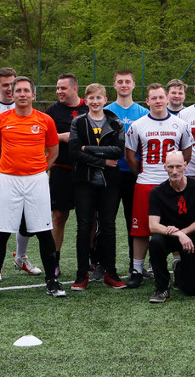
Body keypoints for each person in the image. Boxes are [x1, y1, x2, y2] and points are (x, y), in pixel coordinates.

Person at [0, 76, 65, 301]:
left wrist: (39, 171)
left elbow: (53, 152)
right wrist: (9, 169)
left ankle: (51, 281)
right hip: (8, 180)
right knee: (1, 232)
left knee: (44, 232)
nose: (22, 94)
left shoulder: (45, 120)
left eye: (26, 90)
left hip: (36, 180)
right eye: (18, 90)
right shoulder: (0, 120)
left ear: (33, 95)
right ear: (12, 94)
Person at [124, 83, 192, 288]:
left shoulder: (180, 124)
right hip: (146, 182)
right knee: (140, 228)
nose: (158, 101)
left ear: (167, 98)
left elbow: (186, 153)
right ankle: (136, 269)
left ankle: (179, 266)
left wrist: (176, 173)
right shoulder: (138, 125)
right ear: (147, 101)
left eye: (161, 97)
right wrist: (143, 173)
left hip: (172, 183)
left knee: (175, 224)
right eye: (153, 98)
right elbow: (130, 156)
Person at [0, 67, 40, 276]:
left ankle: (21, 257)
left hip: (25, 172)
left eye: (13, 84)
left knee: (27, 219)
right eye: (5, 85)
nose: (11, 90)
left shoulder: (26, 105)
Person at [67, 83, 127, 290]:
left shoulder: (115, 122)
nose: (94, 102)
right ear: (86, 100)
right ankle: (81, 274)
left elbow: (118, 151)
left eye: (98, 98)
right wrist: (102, 162)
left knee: (109, 226)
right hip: (84, 181)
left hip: (110, 182)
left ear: (104, 99)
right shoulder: (78, 122)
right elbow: (74, 152)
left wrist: (89, 149)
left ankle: (110, 272)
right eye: (91, 98)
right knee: (84, 226)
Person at [147, 151, 195, 303]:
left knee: (194, 290)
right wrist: (178, 235)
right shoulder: (157, 192)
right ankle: (161, 288)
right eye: (171, 167)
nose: (174, 171)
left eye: (178, 166)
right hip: (169, 236)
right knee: (155, 242)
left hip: (192, 237)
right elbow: (153, 226)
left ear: (185, 166)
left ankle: (180, 268)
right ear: (165, 167)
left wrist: (184, 233)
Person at [106, 69, 149, 278]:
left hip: (135, 174)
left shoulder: (142, 113)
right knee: (107, 221)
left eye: (127, 82)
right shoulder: (105, 111)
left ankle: (136, 265)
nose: (124, 85)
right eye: (120, 81)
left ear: (134, 85)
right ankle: (103, 265)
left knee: (134, 221)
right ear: (114, 85)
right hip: (110, 173)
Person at [45, 73, 86, 277]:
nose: (59, 91)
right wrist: (63, 137)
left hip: (86, 170)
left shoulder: (89, 106)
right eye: (57, 88)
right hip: (61, 170)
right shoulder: (52, 111)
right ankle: (54, 261)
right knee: (59, 216)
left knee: (89, 217)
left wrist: (76, 138)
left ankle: (91, 261)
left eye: (63, 88)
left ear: (75, 89)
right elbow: (46, 137)